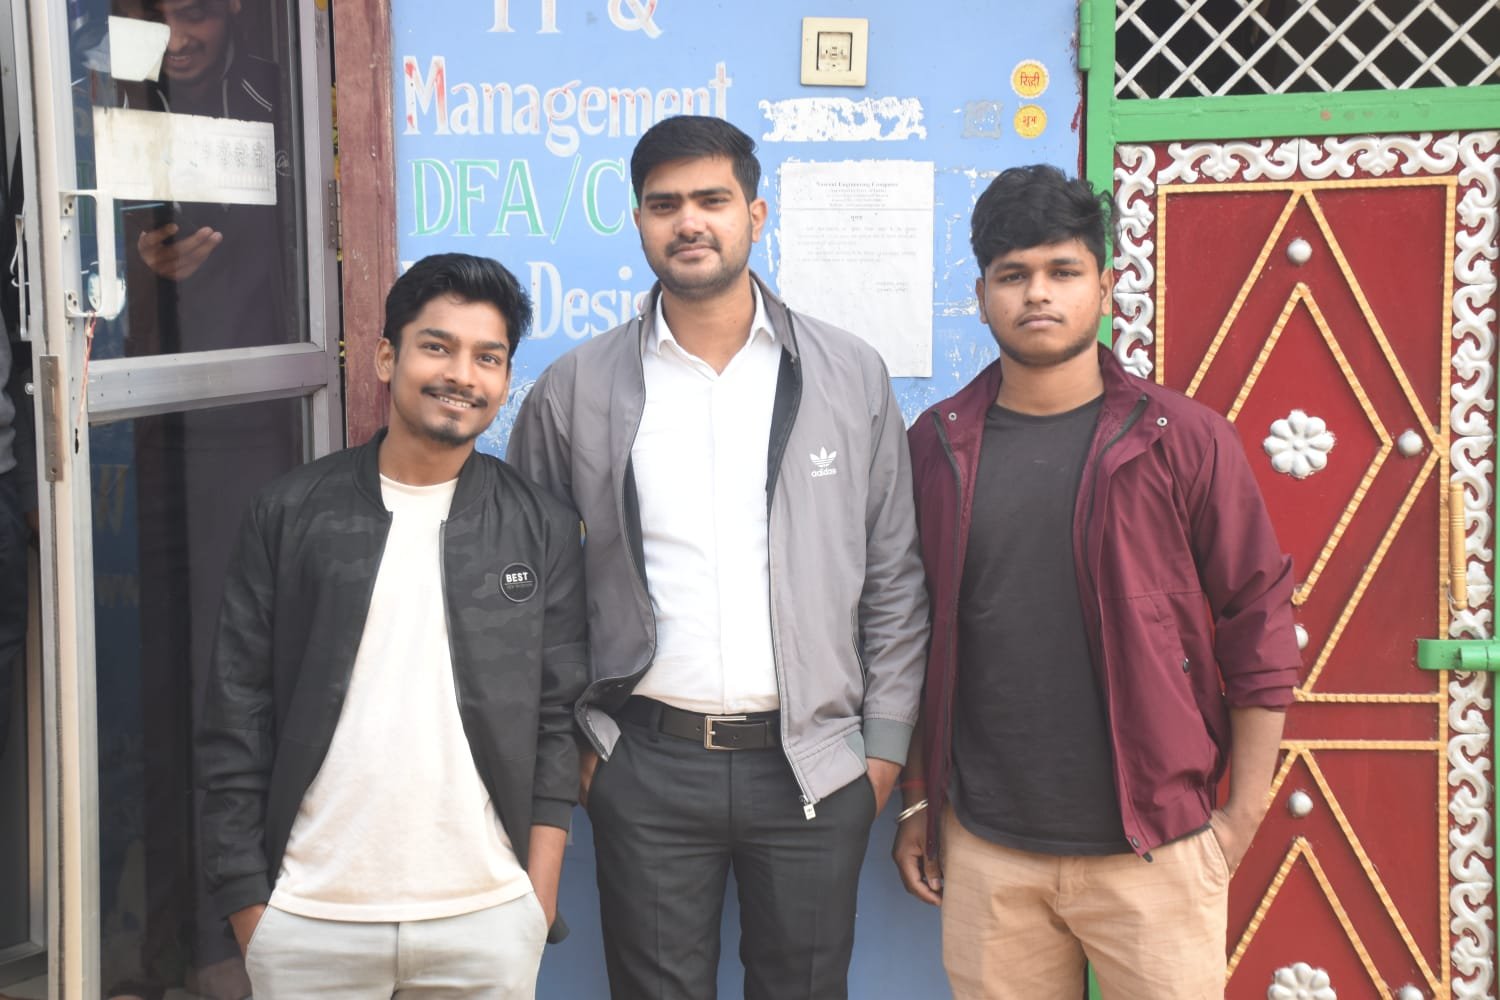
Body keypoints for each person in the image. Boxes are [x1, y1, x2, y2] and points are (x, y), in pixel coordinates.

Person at [508, 114, 929, 1000]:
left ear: (755, 214)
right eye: (665, 205)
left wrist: (884, 748)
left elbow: (894, 571)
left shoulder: (848, 373)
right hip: (644, 764)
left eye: (712, 199)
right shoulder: (575, 389)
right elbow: (533, 589)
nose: (689, 222)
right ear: (639, 221)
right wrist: (581, 748)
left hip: (815, 764)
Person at [894, 164, 1300, 999]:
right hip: (990, 849)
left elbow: (1257, 617)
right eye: (1013, 275)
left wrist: (1243, 816)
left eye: (1063, 271)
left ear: (1105, 287)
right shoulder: (936, 447)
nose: (1038, 294)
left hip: (1158, 848)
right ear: (982, 297)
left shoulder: (1182, 439)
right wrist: (919, 800)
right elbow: (910, 632)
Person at [196, 253, 588, 999]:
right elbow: (235, 716)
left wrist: (533, 904)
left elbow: (556, 721)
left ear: (506, 378)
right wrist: (252, 908)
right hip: (310, 919)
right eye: (437, 347)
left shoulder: (540, 527)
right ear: (386, 357)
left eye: (487, 357)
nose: (461, 375)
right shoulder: (290, 513)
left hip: (486, 920)